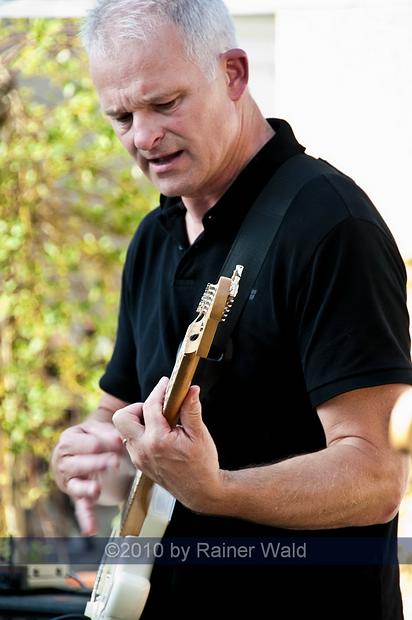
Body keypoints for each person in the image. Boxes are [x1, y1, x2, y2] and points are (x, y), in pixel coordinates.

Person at [51, 1, 412, 618]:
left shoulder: (332, 226)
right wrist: (96, 451)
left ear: (234, 74)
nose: (143, 137)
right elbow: (118, 410)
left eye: (165, 104)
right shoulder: (154, 237)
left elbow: (375, 476)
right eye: (122, 116)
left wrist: (219, 491)